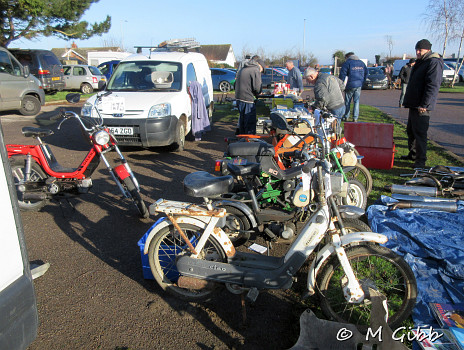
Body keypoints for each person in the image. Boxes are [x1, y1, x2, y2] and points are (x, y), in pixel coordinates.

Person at [401, 39, 444, 169]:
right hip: (414, 104)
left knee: (420, 133)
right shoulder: (421, 62)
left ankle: (420, 161)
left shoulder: (433, 62)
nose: (418, 52)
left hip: (422, 106)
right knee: (411, 131)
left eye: (420, 50)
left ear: (428, 50)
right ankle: (413, 155)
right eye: (417, 50)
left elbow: (433, 85)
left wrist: (425, 105)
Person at [234, 57, 266, 134]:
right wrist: (259, 93)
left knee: (242, 120)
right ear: (260, 65)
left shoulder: (243, 68)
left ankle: (242, 139)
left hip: (239, 98)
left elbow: (235, 84)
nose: (260, 72)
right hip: (247, 99)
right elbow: (257, 87)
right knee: (250, 122)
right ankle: (249, 141)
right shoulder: (255, 70)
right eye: (262, 70)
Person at [339, 52, 368, 122]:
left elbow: (342, 74)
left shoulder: (347, 63)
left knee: (347, 101)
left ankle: (346, 116)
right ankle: (355, 118)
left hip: (350, 85)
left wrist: (340, 83)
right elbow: (366, 73)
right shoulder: (361, 63)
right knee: (356, 101)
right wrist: (362, 82)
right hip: (359, 85)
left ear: (348, 57)